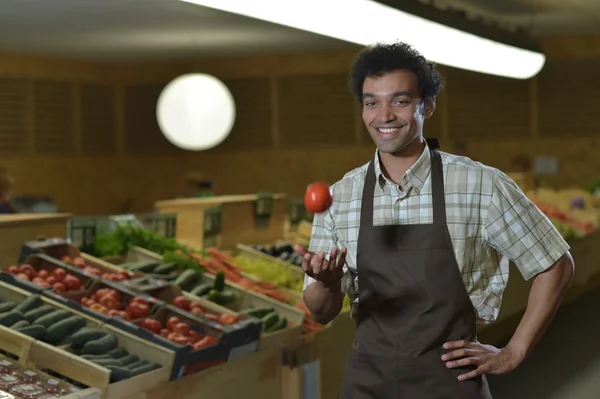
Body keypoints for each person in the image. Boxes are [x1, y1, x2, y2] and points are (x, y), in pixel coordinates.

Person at [296, 42, 574, 398]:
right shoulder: (341, 198)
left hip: (450, 384)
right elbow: (321, 312)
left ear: (427, 105)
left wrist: (514, 351)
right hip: (369, 385)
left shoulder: (480, 185)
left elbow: (556, 264)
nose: (384, 115)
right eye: (371, 102)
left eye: (400, 100)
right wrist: (328, 283)